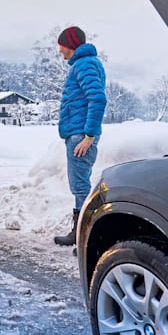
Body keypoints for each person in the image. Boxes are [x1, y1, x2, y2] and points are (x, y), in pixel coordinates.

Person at [52, 26, 107, 250]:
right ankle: (79, 234)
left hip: (81, 136)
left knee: (81, 187)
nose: (60, 50)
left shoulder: (84, 65)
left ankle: (87, 238)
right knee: (79, 186)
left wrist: (89, 136)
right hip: (77, 134)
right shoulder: (84, 64)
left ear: (71, 44)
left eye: (61, 45)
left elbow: (98, 99)